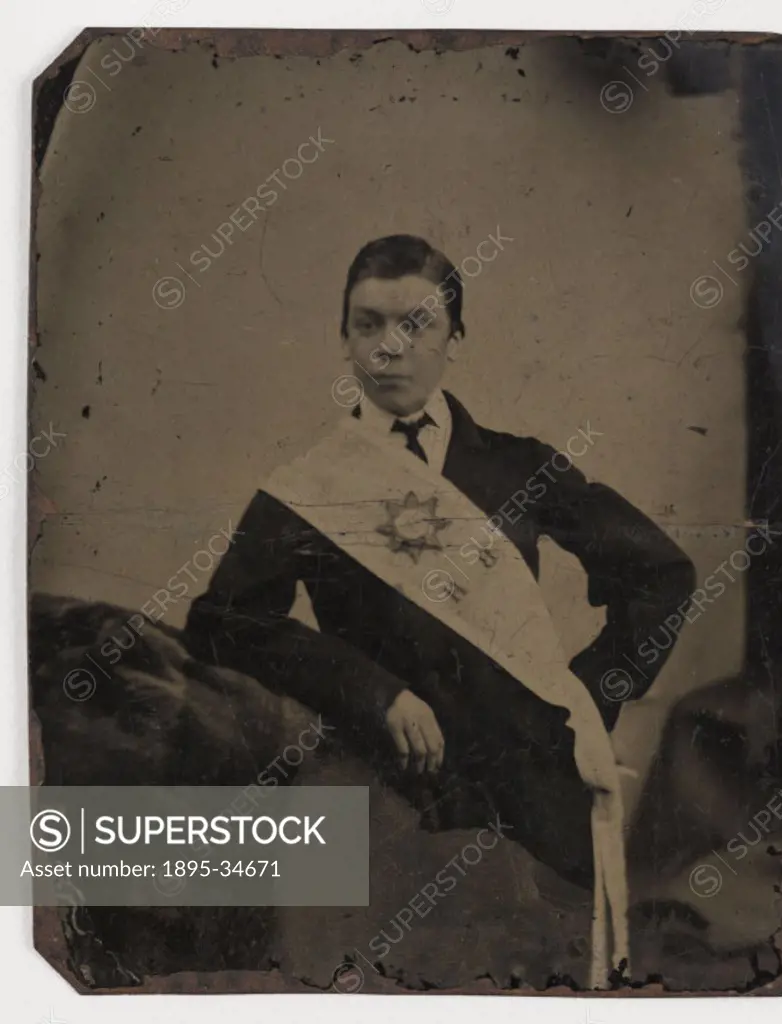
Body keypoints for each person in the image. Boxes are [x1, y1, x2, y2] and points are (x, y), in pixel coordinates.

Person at [184, 236, 695, 978]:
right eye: (368, 325)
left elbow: (660, 573)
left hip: (535, 794)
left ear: (457, 337)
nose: (390, 348)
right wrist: (372, 691)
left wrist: (588, 695)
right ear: (344, 338)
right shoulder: (308, 489)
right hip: (396, 796)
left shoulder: (518, 465)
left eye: (416, 324)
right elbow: (223, 622)